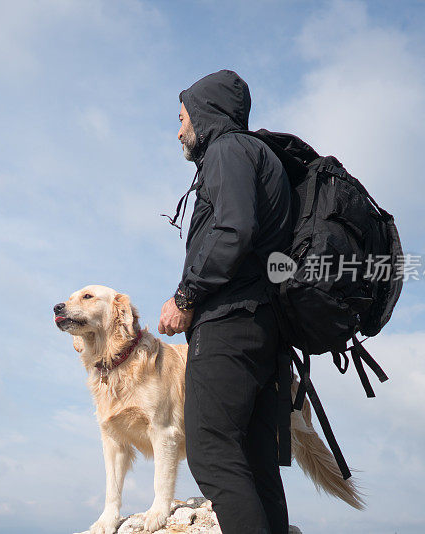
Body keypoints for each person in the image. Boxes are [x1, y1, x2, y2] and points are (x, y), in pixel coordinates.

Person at [157, 69, 293, 534]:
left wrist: (186, 295)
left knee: (212, 451)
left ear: (205, 113)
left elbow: (234, 229)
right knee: (256, 465)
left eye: (181, 118)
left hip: (230, 322)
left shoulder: (228, 150)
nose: (178, 131)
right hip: (263, 327)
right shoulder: (260, 156)